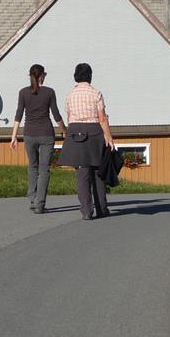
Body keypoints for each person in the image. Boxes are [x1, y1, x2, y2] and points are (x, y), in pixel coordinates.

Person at [59, 62, 115, 220]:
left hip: (75, 132)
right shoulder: (96, 93)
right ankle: (102, 208)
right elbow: (102, 118)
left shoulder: (70, 95)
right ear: (90, 76)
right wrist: (109, 138)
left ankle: (86, 211)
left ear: (76, 76)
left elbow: (69, 116)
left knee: (82, 173)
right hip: (94, 132)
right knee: (98, 172)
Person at [9, 64, 67, 214]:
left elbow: (18, 115)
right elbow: (56, 114)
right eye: (44, 75)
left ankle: (33, 199)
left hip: (29, 134)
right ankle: (40, 204)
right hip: (46, 134)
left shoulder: (23, 92)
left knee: (32, 166)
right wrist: (65, 131)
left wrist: (13, 137)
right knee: (44, 169)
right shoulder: (49, 92)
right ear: (41, 76)